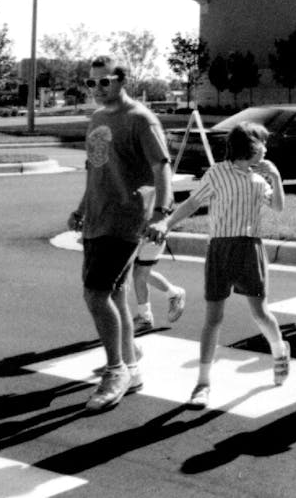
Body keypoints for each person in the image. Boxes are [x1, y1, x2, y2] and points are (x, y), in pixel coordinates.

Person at [147, 121, 290, 410]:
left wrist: (276, 178)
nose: (266, 149)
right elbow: (191, 204)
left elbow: (277, 207)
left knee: (260, 313)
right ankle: (202, 383)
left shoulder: (259, 177)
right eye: (263, 143)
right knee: (213, 318)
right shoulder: (217, 173)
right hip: (220, 250)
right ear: (249, 146)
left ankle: (279, 352)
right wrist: (167, 223)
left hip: (250, 247)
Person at [68, 56, 173, 413]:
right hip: (97, 217)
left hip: (125, 220)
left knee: (95, 294)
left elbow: (162, 168)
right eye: (91, 83)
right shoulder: (97, 118)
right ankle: (130, 366)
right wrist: (82, 207)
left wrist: (161, 214)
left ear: (122, 81)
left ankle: (116, 372)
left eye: (104, 81)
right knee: (114, 294)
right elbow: (96, 169)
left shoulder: (141, 119)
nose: (97, 88)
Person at [130, 239, 187, 333]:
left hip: (152, 238)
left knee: (141, 272)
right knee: (136, 271)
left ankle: (145, 317)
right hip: (139, 235)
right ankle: (174, 293)